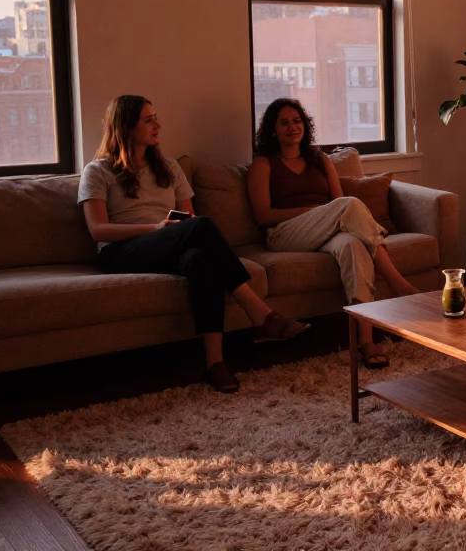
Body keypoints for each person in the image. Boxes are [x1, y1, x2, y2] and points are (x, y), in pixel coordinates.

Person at [79, 95, 310, 394]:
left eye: (155, 117)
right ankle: (261, 315)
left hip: (167, 245)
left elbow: (188, 217)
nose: (158, 124)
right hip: (122, 252)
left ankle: (215, 363)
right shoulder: (98, 171)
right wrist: (155, 228)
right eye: (149, 120)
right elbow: (98, 230)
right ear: (125, 126)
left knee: (201, 259)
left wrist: (171, 229)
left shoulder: (169, 167)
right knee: (200, 226)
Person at [246, 98, 419, 369]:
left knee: (353, 245)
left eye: (297, 120)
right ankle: (398, 283)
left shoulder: (320, 160)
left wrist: (324, 215)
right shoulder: (264, 164)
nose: (293, 127)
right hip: (284, 234)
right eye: (284, 122)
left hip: (327, 228)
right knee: (348, 206)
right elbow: (263, 215)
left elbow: (339, 206)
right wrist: (311, 211)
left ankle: (366, 340)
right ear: (273, 130)